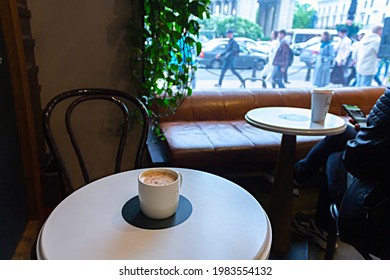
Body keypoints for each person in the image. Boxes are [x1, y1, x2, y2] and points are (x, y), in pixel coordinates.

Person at [293, 87, 390, 251]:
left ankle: (321, 226)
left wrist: (366, 136)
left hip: (376, 203)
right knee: (343, 133)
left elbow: (356, 161)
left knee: (335, 158)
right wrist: (369, 134)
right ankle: (296, 176)